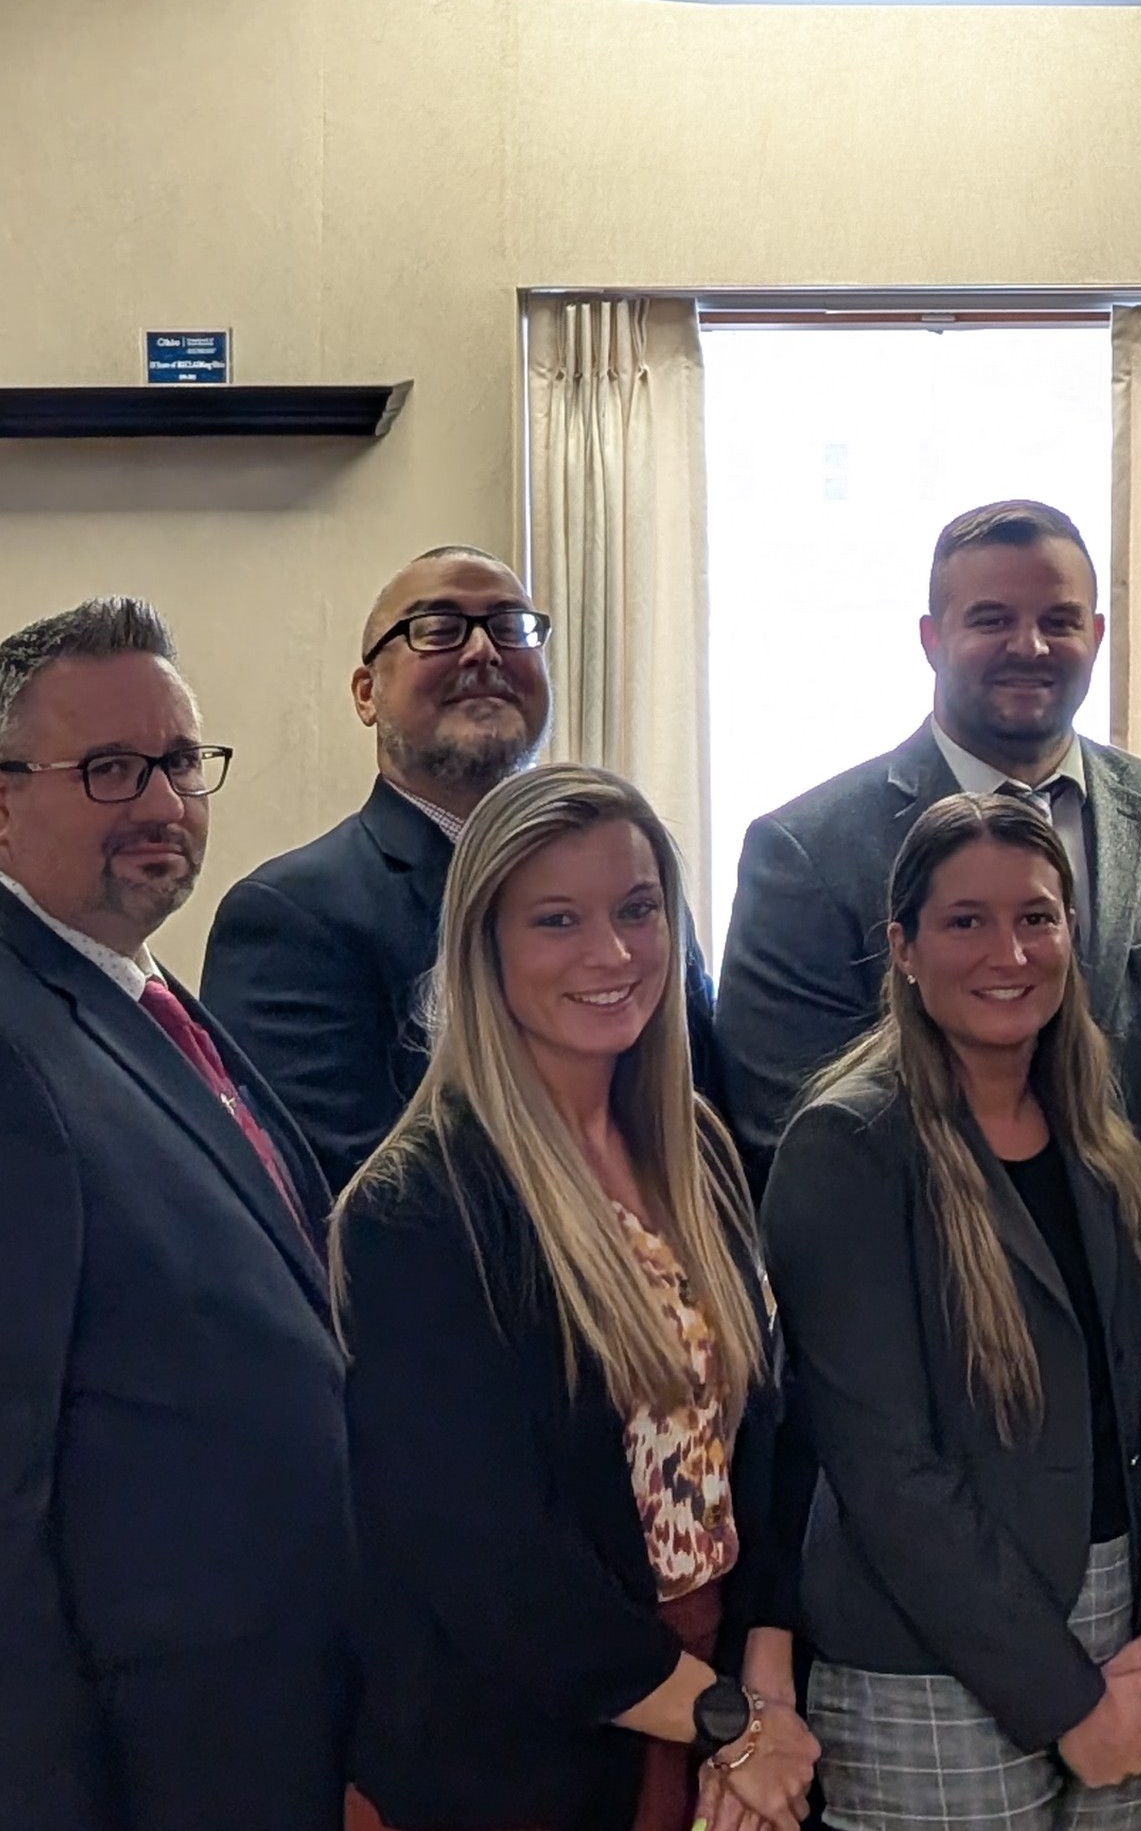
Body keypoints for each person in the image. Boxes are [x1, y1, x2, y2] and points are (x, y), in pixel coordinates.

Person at [0, 598, 347, 1831]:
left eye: (179, 763)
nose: (162, 802)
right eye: (109, 769)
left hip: (227, 1736)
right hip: (96, 1776)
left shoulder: (134, 1000)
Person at [332, 763, 821, 1831]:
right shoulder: (420, 1205)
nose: (612, 954)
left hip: (709, 1707)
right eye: (558, 919)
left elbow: (764, 1428)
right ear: (484, 946)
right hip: (522, 1752)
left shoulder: (690, 1144)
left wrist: (763, 1687)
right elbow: (486, 1557)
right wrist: (730, 1721)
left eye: (638, 909)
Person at [765, 792, 1141, 1831]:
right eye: (966, 920)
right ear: (904, 947)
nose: (1008, 950)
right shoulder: (846, 1147)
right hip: (930, 1651)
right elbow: (888, 1473)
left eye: (1037, 917)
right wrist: (1064, 1697)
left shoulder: (1098, 1131)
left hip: (1121, 1623)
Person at [724, 500, 1141, 1194]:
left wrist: (1138, 1258)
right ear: (931, 639)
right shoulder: (802, 852)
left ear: (1095, 635)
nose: (1029, 645)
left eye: (1058, 620)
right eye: (992, 619)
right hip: (915, 1282)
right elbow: (790, 1131)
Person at [206, 545, 733, 1194]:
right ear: (366, 693)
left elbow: (705, 1119)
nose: (483, 650)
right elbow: (349, 1194)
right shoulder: (289, 917)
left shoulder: (638, 888)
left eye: (511, 626)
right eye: (438, 628)